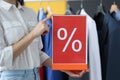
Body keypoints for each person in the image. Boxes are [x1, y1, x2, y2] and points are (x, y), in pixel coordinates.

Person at [0, 0, 86, 80]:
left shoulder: (30, 13)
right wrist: (33, 34)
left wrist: (62, 67)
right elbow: (2, 58)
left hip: (35, 75)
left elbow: (37, 53)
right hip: (12, 76)